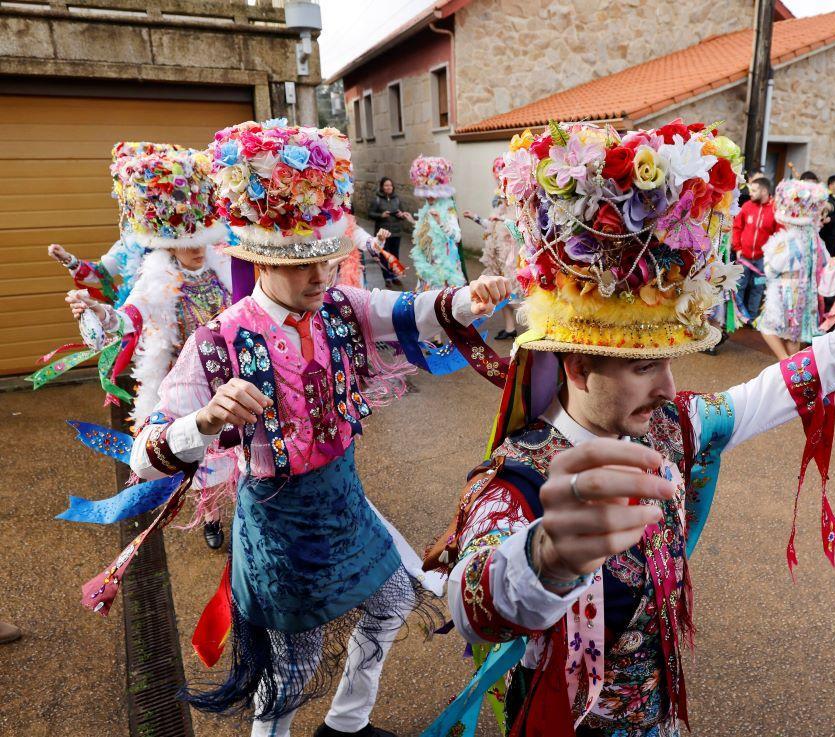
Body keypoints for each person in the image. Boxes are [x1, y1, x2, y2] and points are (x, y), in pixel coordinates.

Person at [421, 120, 835, 737]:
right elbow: (473, 603)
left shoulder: (670, 427)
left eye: (670, 363)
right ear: (577, 365)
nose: (670, 388)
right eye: (646, 366)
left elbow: (773, 391)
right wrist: (546, 553)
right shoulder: (516, 477)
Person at [73, 120, 510, 737]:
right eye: (301, 264)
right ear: (257, 260)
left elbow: (409, 310)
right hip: (281, 524)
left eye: (325, 261)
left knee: (390, 606)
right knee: (291, 665)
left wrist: (470, 298)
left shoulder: (340, 305)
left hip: (345, 500)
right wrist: (202, 421)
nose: (319, 276)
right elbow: (145, 454)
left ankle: (345, 726)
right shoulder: (217, 340)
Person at [64, 145, 235, 551]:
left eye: (200, 238)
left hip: (231, 371)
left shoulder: (226, 265)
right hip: (187, 379)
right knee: (202, 452)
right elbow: (129, 317)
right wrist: (99, 314)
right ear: (166, 242)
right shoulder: (156, 276)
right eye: (184, 239)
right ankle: (210, 512)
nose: (195, 247)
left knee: (242, 449)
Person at [46, 141, 183, 306]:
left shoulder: (193, 239)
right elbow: (100, 273)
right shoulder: (133, 242)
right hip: (146, 322)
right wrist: (68, 259)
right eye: (142, 201)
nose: (149, 207)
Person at [759, 179, 835, 358]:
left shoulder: (786, 241)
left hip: (785, 289)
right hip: (806, 290)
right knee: (793, 334)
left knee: (767, 327)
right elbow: (825, 263)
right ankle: (793, 367)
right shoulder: (816, 240)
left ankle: (784, 362)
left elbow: (771, 269)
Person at [463, 155, 520, 339]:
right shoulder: (498, 202)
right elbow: (491, 225)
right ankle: (510, 329)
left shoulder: (517, 202)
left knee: (515, 294)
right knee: (503, 293)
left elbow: (521, 227)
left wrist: (503, 219)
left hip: (512, 256)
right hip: (497, 255)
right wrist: (475, 218)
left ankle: (535, 327)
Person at [401, 155, 468, 290]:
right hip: (427, 268)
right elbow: (427, 232)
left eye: (433, 192)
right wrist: (413, 221)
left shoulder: (448, 209)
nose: (429, 196)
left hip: (444, 270)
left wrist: (440, 222)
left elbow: (457, 237)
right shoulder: (427, 208)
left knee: (442, 305)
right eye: (426, 192)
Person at [731, 176, 779, 323]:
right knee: (740, 286)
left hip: (762, 260)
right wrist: (737, 248)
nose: (750, 192)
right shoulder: (746, 206)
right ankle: (739, 316)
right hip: (744, 257)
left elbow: (778, 236)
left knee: (758, 287)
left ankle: (751, 318)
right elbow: (737, 228)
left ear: (764, 191)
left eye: (754, 190)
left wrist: (771, 257)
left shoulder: (775, 210)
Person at [368, 177, 405, 286]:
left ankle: (395, 276)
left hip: (396, 232)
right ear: (382, 187)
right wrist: (381, 215)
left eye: (390, 185)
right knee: (384, 256)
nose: (389, 187)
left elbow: (402, 213)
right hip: (382, 234)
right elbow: (370, 214)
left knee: (395, 256)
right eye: (386, 185)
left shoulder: (397, 199)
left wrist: (401, 215)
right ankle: (387, 278)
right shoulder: (377, 199)